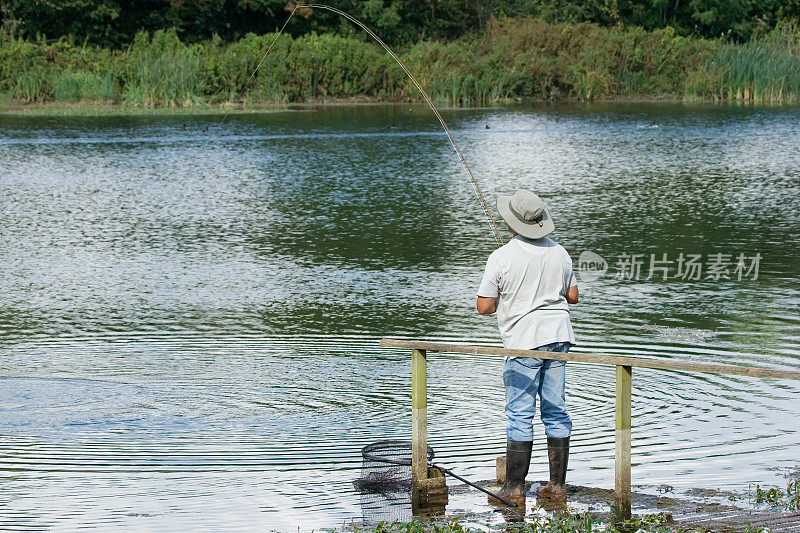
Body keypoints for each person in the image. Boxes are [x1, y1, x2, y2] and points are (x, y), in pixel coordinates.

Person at [477, 189, 578, 508]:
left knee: (520, 413)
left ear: (511, 224)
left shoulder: (501, 257)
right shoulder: (560, 252)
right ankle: (557, 487)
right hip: (559, 337)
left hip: (523, 341)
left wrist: (502, 298)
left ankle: (514, 488)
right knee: (555, 409)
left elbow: (483, 307)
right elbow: (572, 296)